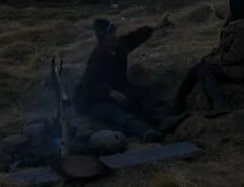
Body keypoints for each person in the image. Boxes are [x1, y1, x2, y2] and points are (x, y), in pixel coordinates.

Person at [76, 14, 187, 142]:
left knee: (145, 93)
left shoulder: (119, 46)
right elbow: (90, 84)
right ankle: (144, 131)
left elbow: (135, 37)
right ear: (102, 39)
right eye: (110, 35)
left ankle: (163, 119)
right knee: (115, 113)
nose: (114, 37)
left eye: (114, 33)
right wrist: (111, 93)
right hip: (99, 100)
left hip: (121, 87)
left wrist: (156, 27)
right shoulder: (96, 58)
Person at [173, 0, 244, 117]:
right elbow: (223, 48)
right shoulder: (235, 23)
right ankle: (178, 104)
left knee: (205, 69)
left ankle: (220, 103)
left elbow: (235, 57)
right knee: (195, 69)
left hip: (237, 69)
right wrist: (210, 56)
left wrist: (213, 60)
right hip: (228, 64)